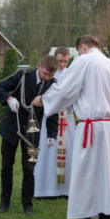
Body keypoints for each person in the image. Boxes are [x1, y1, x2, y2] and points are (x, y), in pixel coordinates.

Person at [32, 35, 110, 219]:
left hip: (90, 127)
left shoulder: (85, 61)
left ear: (83, 47)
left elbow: (66, 88)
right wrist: (108, 113)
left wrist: (45, 100)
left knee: (84, 176)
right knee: (106, 177)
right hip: (109, 127)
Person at [0, 55, 59, 216]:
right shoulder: (23, 76)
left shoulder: (52, 85)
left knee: (29, 168)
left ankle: (27, 204)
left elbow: (53, 110)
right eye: (45, 74)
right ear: (39, 66)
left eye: (51, 76)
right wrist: (8, 99)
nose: (47, 78)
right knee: (7, 165)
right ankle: (4, 201)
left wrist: (52, 134)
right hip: (11, 127)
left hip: (32, 132)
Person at [34, 47, 75, 198]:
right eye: (59, 61)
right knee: (48, 152)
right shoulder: (49, 74)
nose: (62, 64)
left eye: (65, 61)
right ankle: (46, 188)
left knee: (69, 153)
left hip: (67, 118)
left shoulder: (72, 74)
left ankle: (66, 189)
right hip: (50, 117)